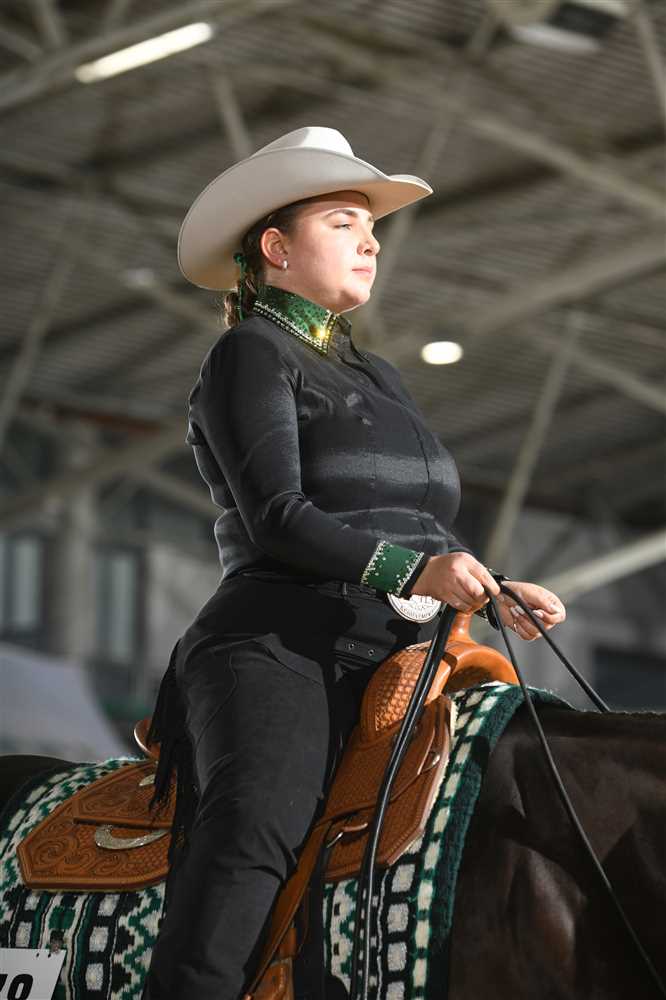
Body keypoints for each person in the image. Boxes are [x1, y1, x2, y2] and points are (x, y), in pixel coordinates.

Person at [141, 126, 566, 1000]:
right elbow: (279, 518)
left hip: (402, 644)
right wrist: (415, 574)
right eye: (344, 223)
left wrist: (488, 587)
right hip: (278, 640)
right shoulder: (248, 352)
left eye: (371, 229)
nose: (371, 242)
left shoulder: (380, 375)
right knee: (259, 823)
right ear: (276, 249)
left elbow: (422, 522)